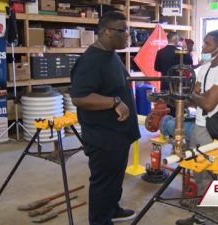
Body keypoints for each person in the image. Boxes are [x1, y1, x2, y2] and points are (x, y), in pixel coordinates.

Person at [70, 11, 140, 225]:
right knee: (103, 181)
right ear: (107, 31)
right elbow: (79, 97)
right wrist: (114, 102)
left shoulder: (111, 55)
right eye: (123, 30)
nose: (127, 35)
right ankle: (100, 220)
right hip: (103, 136)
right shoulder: (90, 61)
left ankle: (113, 209)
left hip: (119, 134)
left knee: (115, 177)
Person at [176, 30, 218, 225]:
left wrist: (194, 95)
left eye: (207, 44)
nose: (203, 48)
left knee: (211, 176)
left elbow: (208, 104)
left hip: (213, 129)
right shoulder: (204, 68)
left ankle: (212, 219)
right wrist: (197, 96)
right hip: (198, 125)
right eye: (204, 43)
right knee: (199, 173)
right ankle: (200, 217)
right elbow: (197, 98)